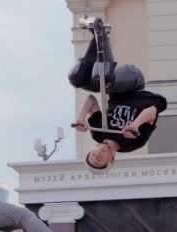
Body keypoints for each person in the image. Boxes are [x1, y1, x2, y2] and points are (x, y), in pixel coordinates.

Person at [69, 19, 167, 172]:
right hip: (134, 83)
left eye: (92, 156)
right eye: (99, 160)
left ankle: (97, 36)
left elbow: (91, 100)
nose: (96, 156)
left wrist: (81, 118)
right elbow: (152, 111)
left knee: (78, 79)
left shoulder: (98, 133)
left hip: (116, 88)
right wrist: (135, 125)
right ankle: (104, 34)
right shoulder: (131, 144)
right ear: (111, 159)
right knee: (103, 80)